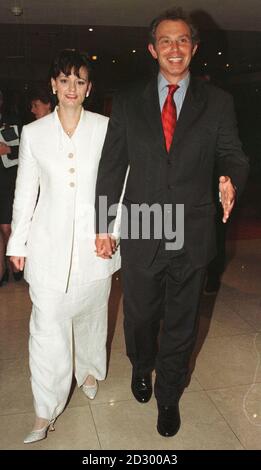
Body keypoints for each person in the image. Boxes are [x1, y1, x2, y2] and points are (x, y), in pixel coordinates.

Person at [95, 8, 249, 437]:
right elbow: (111, 168)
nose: (174, 48)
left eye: (182, 40)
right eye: (166, 41)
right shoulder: (127, 102)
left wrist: (230, 179)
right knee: (140, 317)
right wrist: (105, 224)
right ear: (152, 49)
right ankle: (141, 366)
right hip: (144, 225)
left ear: (194, 48)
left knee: (182, 322)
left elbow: (234, 154)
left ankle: (169, 396)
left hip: (194, 229)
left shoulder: (218, 103)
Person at [6, 49, 120, 444]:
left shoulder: (107, 128)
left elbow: (119, 186)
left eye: (80, 80)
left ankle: (88, 369)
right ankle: (45, 408)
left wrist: (114, 230)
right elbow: (25, 192)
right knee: (47, 327)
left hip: (96, 243)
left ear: (89, 88)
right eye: (65, 80)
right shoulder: (34, 133)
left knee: (91, 315)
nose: (72, 88)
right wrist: (17, 241)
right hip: (47, 245)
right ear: (53, 85)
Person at [0, 89, 22, 286]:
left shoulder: (12, 120)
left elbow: (25, 148)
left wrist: (8, 150)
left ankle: (12, 265)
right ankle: (2, 270)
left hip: (6, 183)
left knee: (7, 228)